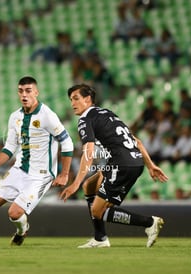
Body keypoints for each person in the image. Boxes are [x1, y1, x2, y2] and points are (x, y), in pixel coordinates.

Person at [0, 76, 74, 247]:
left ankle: (22, 230)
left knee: (14, 213)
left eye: (28, 91)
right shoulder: (15, 117)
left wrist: (64, 174)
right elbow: (10, 147)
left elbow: (67, 142)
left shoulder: (48, 116)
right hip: (19, 170)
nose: (24, 95)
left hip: (40, 176)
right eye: (21, 91)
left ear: (36, 92)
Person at [60, 83, 167, 248]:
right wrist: (150, 165)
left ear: (88, 99)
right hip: (130, 161)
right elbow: (136, 141)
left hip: (122, 164)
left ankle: (149, 222)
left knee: (98, 211)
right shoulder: (108, 114)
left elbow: (89, 152)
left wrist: (75, 183)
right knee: (89, 186)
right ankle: (100, 239)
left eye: (76, 98)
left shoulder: (85, 119)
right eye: (71, 100)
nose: (72, 103)